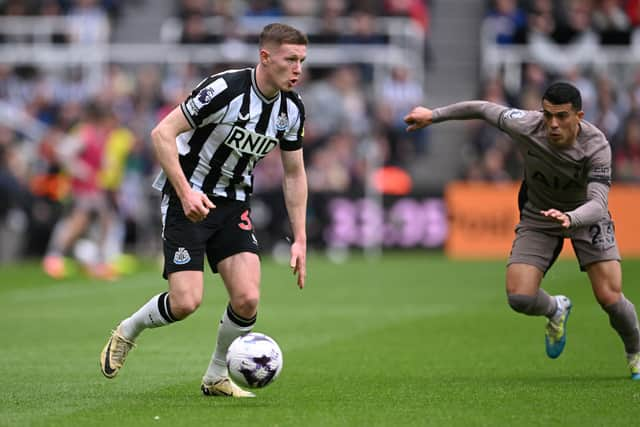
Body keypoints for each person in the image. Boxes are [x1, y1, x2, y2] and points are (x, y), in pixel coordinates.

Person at [100, 23, 309, 397]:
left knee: (247, 299)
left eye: (302, 61)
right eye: (290, 59)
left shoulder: (291, 110)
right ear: (265, 57)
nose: (298, 69)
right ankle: (128, 330)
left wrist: (300, 239)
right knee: (185, 302)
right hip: (189, 201)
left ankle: (215, 376)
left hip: (233, 204)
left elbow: (294, 174)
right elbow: (161, 134)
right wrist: (185, 192)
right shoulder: (225, 89)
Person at [404, 82, 640, 380]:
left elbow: (598, 203)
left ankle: (635, 351)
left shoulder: (597, 146)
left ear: (579, 116)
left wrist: (571, 217)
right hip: (539, 214)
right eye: (548, 114)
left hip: (585, 216)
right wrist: (433, 115)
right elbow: (482, 109)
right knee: (519, 297)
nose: (553, 124)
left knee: (610, 297)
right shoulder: (527, 124)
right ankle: (556, 309)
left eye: (562, 116)